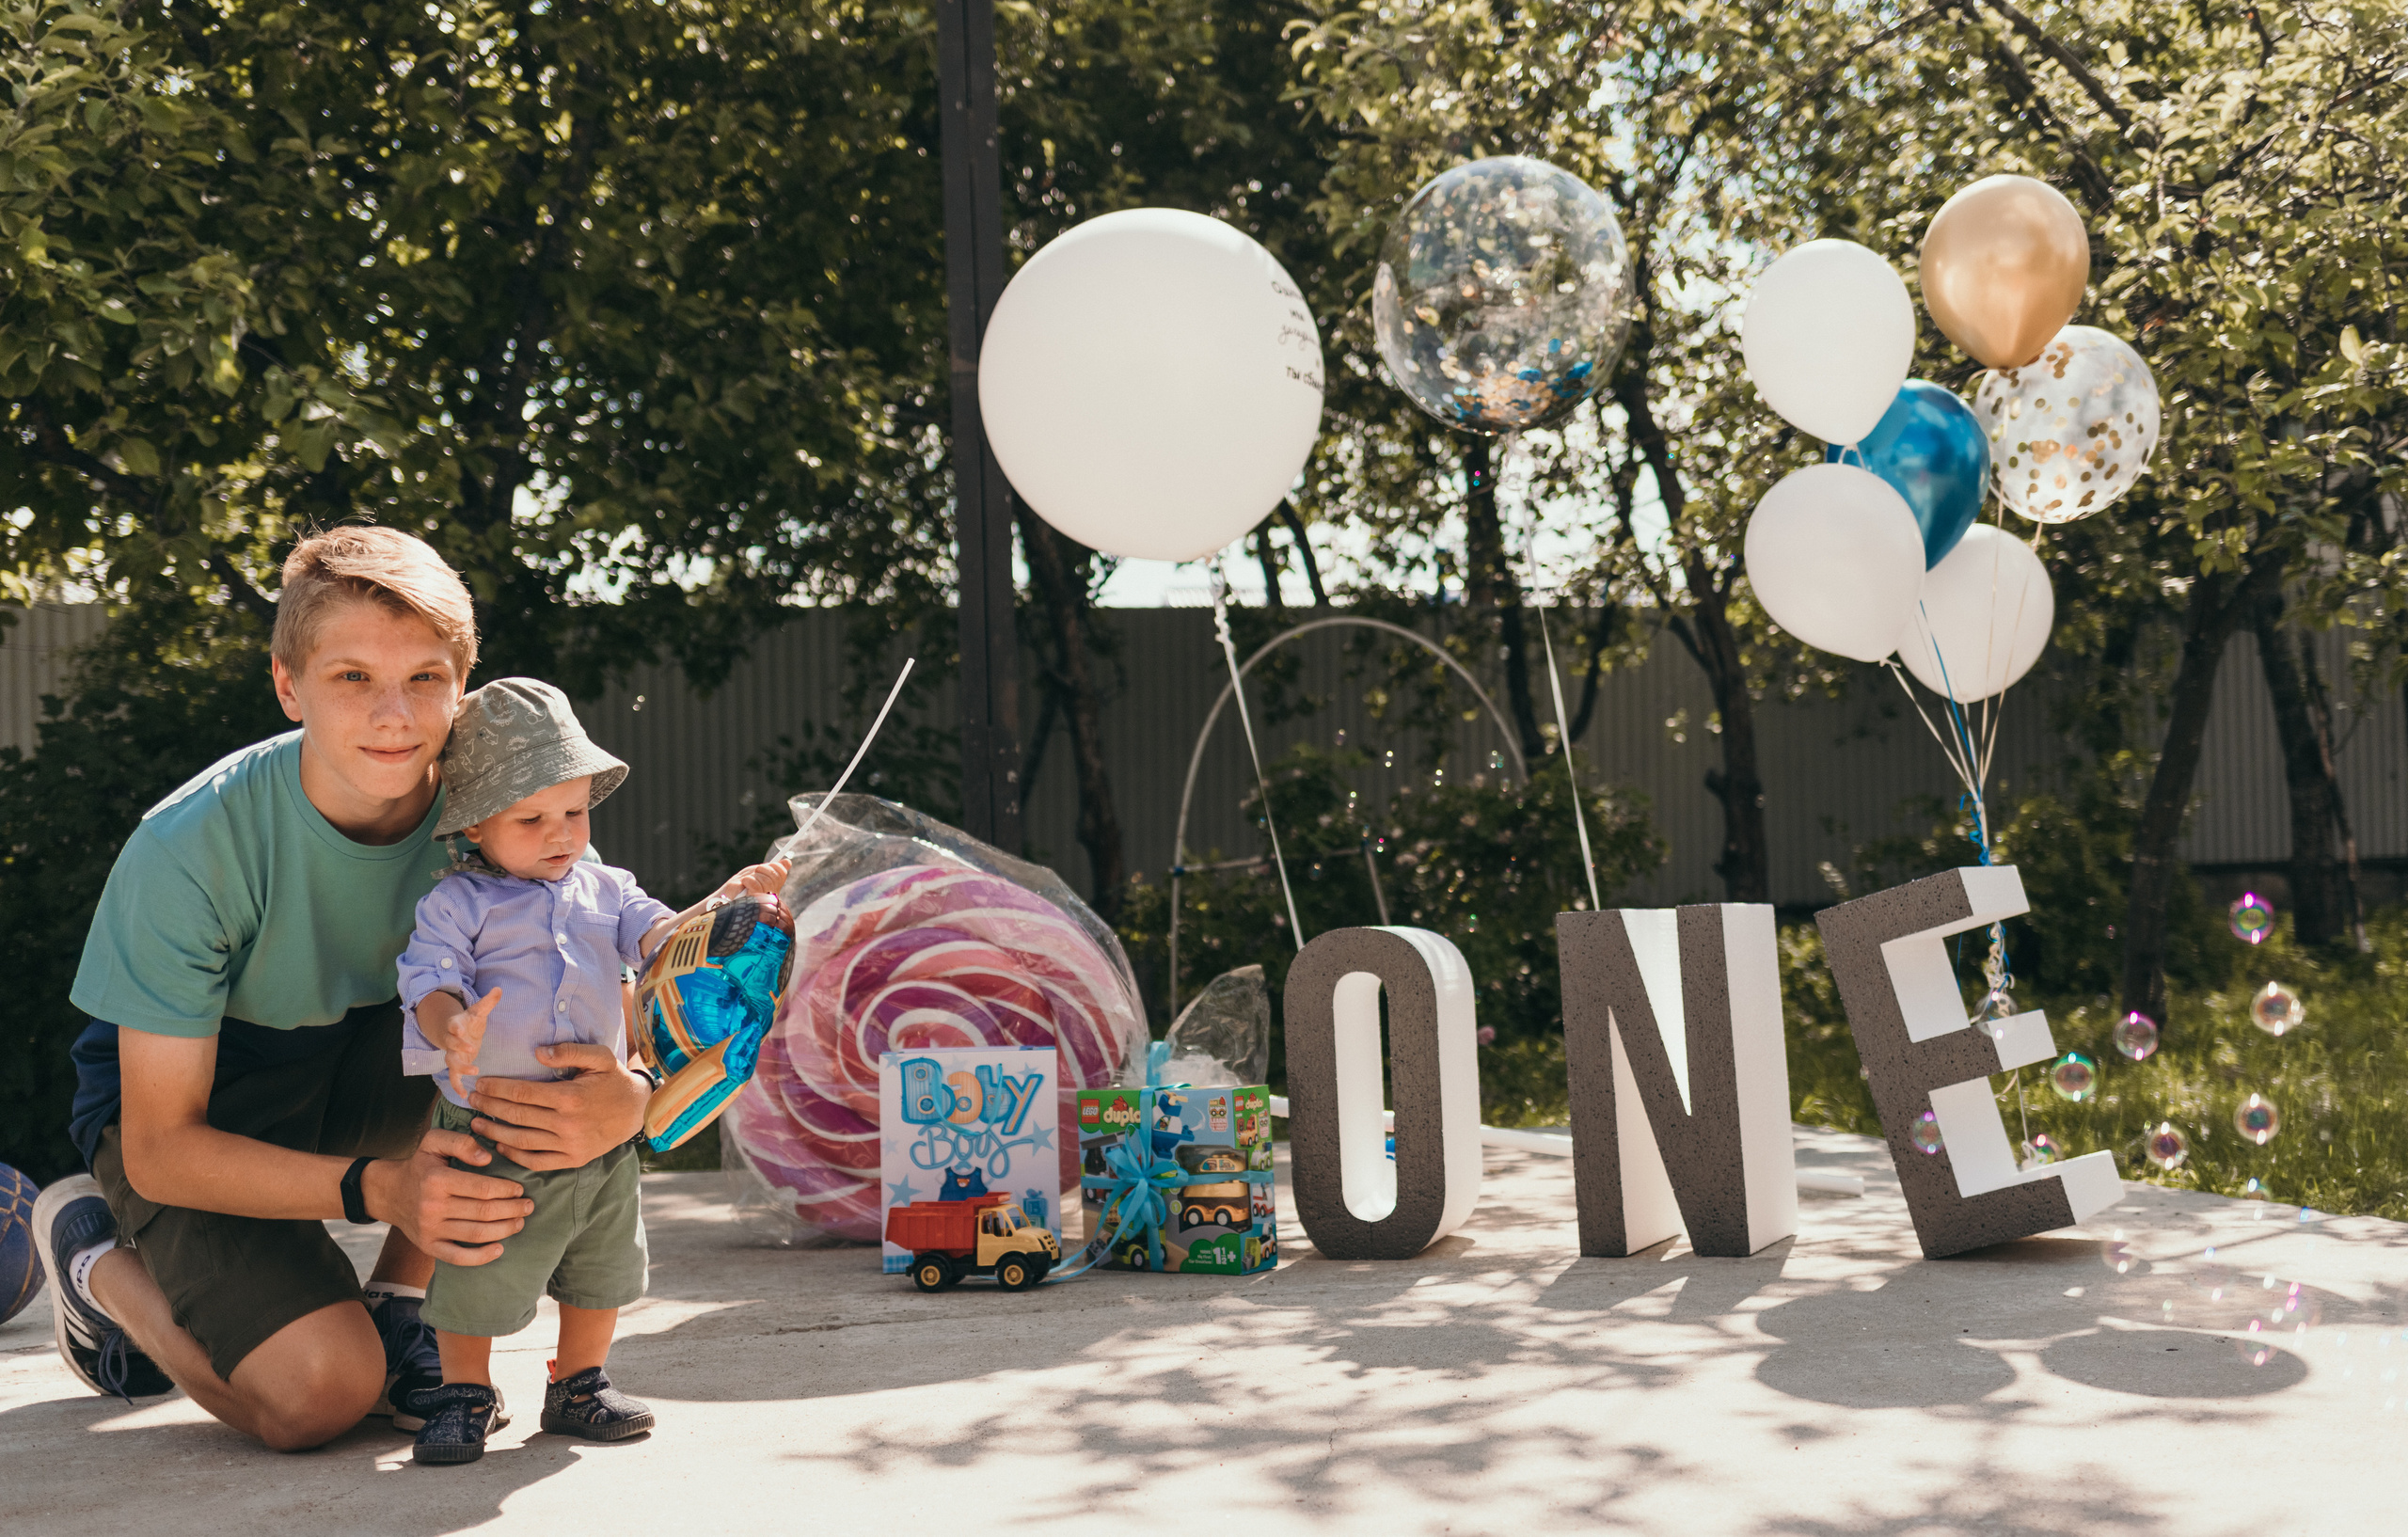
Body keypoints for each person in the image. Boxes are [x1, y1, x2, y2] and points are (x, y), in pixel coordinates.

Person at [30, 527, 653, 1451]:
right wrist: (378, 1187)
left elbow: (609, 1000)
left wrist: (628, 1098)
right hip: (203, 1110)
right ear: (290, 685)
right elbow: (163, 1143)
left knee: (514, 1045)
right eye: (352, 676)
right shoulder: (191, 847)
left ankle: (400, 1295)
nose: (393, 714)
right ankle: (99, 1271)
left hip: (377, 1063)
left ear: (463, 683)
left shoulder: (510, 815)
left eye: (426, 679)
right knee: (319, 1394)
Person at [396, 677, 786, 1463]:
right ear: (474, 825)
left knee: (602, 1261)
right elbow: (426, 978)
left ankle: (579, 1383)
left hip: (598, 1126)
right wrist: (453, 1026)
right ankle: (464, 1389)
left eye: (574, 812)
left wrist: (729, 906)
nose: (560, 833)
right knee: (476, 1259)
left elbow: (664, 941)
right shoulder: (459, 905)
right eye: (531, 818)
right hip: (492, 1124)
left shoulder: (609, 890)